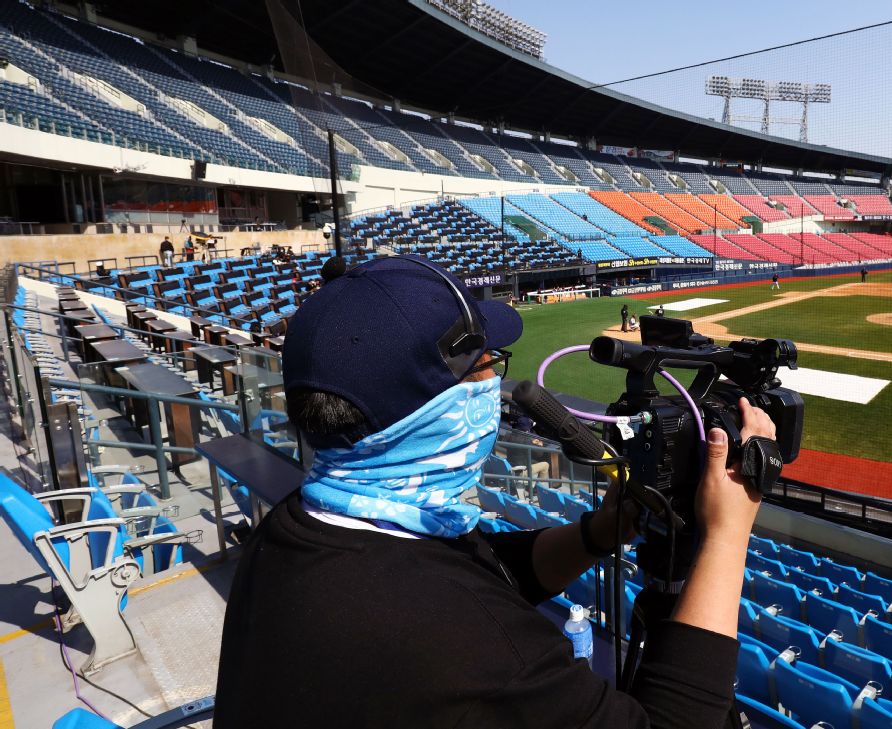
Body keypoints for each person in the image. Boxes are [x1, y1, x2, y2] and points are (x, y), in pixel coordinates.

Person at [213, 255, 775, 728]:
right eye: (486, 366)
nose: (495, 387)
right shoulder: (472, 652)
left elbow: (479, 573)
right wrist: (727, 534)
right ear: (431, 412)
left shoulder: (298, 528)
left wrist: (600, 532)